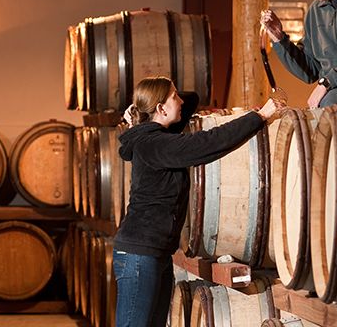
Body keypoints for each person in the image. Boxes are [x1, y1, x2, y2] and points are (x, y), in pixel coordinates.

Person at [112, 76, 285, 327]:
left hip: (153, 253)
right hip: (140, 255)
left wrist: (145, 108)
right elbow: (210, 142)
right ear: (161, 109)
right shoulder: (155, 144)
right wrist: (260, 116)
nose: (181, 100)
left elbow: (190, 99)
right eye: (174, 97)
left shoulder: (153, 136)